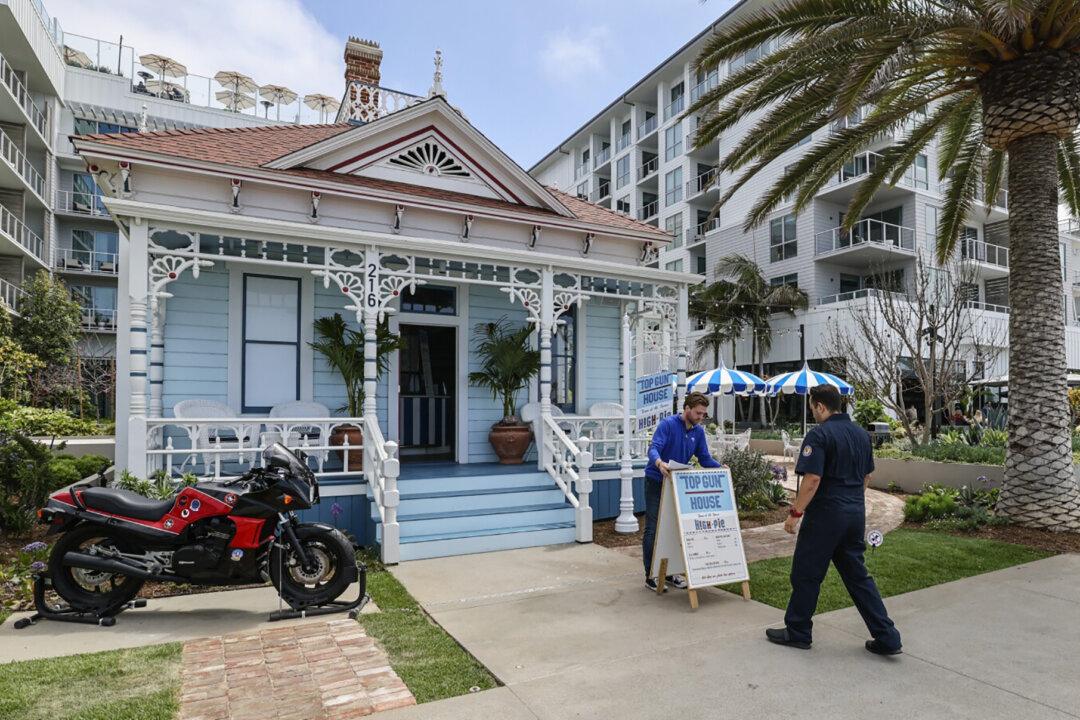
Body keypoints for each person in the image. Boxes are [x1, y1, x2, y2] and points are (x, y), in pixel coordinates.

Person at [765, 385, 902, 655]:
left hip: (826, 515)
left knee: (806, 572)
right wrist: (850, 502)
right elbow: (867, 477)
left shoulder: (820, 435)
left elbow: (812, 480)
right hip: (854, 513)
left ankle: (798, 631)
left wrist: (795, 513)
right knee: (858, 577)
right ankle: (888, 637)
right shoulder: (862, 434)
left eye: (812, 408)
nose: (813, 413)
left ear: (820, 406)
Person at [642, 391, 722, 591]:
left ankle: (670, 574)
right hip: (656, 480)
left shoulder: (698, 432)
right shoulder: (667, 425)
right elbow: (653, 449)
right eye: (698, 413)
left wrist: (721, 468)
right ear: (686, 409)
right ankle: (651, 575)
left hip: (678, 483)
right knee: (653, 528)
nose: (701, 417)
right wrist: (659, 463)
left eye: (703, 414)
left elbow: (704, 459)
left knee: (675, 529)